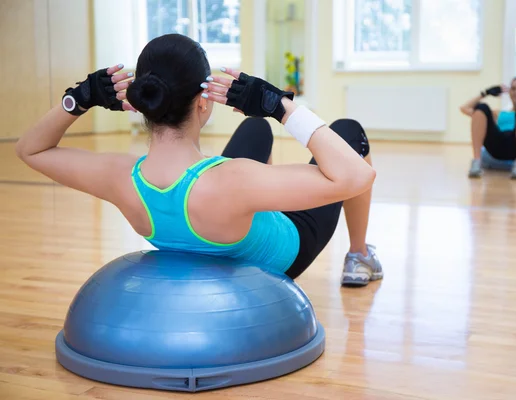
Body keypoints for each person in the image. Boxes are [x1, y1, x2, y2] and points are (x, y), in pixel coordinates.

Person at [14, 33, 383, 287]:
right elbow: (356, 177)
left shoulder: (120, 178)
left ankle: (248, 216)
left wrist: (79, 98)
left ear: (141, 100)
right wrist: (279, 106)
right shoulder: (234, 180)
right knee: (348, 129)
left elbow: (31, 149)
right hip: (286, 252)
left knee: (255, 130)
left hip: (221, 209)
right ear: (203, 101)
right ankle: (359, 255)